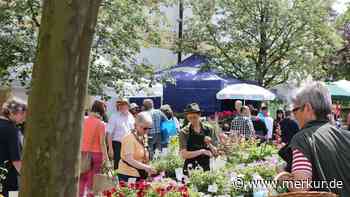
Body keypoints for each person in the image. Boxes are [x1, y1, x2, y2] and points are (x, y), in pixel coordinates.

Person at [277, 83, 350, 196]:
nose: (293, 116)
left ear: (307, 108)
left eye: (295, 110)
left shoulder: (302, 138)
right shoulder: (347, 136)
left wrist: (282, 175)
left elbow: (300, 187)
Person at [79, 100, 109, 197]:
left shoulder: (83, 120)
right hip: (97, 155)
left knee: (81, 178)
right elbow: (102, 143)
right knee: (93, 180)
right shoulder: (101, 124)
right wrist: (106, 158)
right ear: (102, 112)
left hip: (83, 153)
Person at [179, 103, 218, 175]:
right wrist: (202, 151)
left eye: (195, 117)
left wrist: (210, 145)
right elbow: (183, 154)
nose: (193, 120)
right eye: (190, 118)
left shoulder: (209, 129)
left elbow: (216, 152)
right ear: (187, 117)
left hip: (207, 167)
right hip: (190, 169)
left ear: (199, 115)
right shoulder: (184, 132)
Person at [117, 112, 157, 182]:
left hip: (140, 174)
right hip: (128, 175)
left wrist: (149, 170)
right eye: (144, 128)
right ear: (135, 125)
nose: (147, 131)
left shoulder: (143, 136)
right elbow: (129, 159)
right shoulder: (129, 138)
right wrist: (146, 167)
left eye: (149, 128)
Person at [0, 100, 26, 197]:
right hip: (9, 180)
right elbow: (16, 160)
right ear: (17, 112)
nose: (24, 119)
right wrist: (26, 177)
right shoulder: (12, 130)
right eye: (24, 115)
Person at [107, 98, 135, 169]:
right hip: (118, 145)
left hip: (129, 144)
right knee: (118, 166)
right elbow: (109, 133)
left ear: (128, 106)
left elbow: (133, 131)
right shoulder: (114, 116)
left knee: (129, 166)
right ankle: (117, 180)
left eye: (123, 104)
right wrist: (110, 149)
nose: (121, 106)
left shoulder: (131, 116)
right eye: (120, 105)